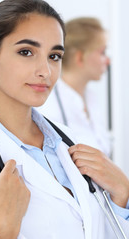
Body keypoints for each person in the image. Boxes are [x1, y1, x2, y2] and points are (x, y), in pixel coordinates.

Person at [0, 0, 129, 239]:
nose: (46, 70)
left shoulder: (70, 142)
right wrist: (2, 231)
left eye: (54, 56)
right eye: (26, 52)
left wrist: (121, 194)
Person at [37, 17, 112, 157]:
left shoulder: (91, 98)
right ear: (80, 57)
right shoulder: (48, 104)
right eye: (102, 53)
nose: (108, 61)